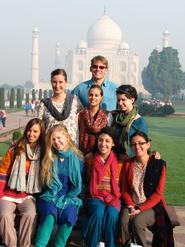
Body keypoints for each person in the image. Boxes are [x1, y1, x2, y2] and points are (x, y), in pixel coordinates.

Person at [120, 131, 174, 247]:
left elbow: (158, 194)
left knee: (138, 222)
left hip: (151, 205)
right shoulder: (128, 163)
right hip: (132, 203)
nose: (137, 147)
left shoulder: (158, 164)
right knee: (124, 222)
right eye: (133, 144)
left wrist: (140, 208)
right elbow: (124, 189)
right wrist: (130, 205)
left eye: (141, 143)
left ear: (148, 144)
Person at [35, 124, 83, 247]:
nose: (56, 142)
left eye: (59, 138)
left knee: (70, 216)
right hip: (49, 194)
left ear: (66, 137)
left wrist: (68, 198)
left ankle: (59, 245)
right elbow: (44, 182)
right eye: (53, 139)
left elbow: (77, 184)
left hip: (68, 195)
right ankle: (40, 245)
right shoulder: (48, 156)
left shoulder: (77, 158)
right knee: (50, 215)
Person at [0, 118, 45, 247]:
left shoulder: (42, 153)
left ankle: (24, 245)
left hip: (27, 195)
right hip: (8, 193)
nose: (31, 134)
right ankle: (11, 244)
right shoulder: (15, 148)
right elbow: (2, 172)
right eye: (29, 130)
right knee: (4, 215)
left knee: (30, 214)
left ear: (41, 133)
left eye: (35, 131)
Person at [83, 127, 123, 247]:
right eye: (100, 140)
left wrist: (152, 154)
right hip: (95, 196)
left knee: (111, 214)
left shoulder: (121, 161)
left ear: (113, 143)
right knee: (98, 212)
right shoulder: (90, 159)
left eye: (107, 141)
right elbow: (85, 179)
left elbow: (139, 157)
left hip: (114, 197)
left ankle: (110, 244)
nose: (103, 144)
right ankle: (93, 243)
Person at [38, 68, 82, 145]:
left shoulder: (74, 100)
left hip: (71, 148)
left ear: (65, 83)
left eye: (60, 82)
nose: (57, 85)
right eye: (54, 82)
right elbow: (39, 127)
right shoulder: (44, 104)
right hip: (51, 149)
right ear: (51, 83)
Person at [110, 84, 148, 156]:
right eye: (118, 100)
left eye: (123, 100)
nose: (120, 103)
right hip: (113, 158)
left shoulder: (139, 122)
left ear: (132, 100)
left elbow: (143, 145)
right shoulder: (115, 117)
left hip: (130, 160)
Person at [78, 84, 108, 155]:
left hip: (99, 154)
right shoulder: (81, 115)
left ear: (101, 97)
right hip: (82, 153)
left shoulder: (106, 116)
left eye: (96, 95)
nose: (93, 97)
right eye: (91, 95)